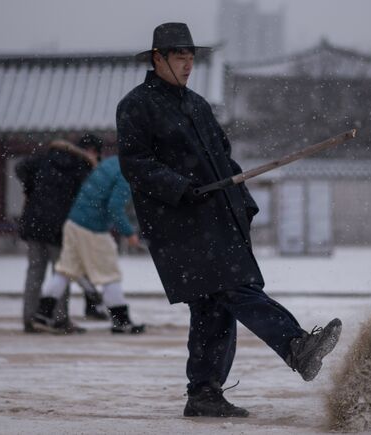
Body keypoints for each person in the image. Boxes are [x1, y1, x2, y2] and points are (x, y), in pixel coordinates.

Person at [116, 22, 342, 418]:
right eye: (179, 57)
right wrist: (179, 187)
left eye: (191, 57)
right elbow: (135, 165)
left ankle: (203, 392)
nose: (188, 65)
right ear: (158, 59)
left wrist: (244, 200)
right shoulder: (137, 106)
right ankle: (295, 345)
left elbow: (226, 161)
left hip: (217, 219)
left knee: (213, 306)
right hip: (180, 227)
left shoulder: (198, 105)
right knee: (235, 288)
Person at [30, 155, 145, 335]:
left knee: (65, 270)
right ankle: (121, 321)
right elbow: (115, 207)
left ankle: (42, 315)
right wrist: (129, 233)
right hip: (93, 229)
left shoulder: (111, 162)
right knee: (109, 274)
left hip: (74, 223)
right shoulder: (127, 174)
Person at [15, 134, 109, 334]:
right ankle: (59, 319)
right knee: (62, 272)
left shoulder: (43, 159)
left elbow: (20, 168)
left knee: (34, 272)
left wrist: (30, 189)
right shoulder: (81, 166)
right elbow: (87, 200)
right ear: (92, 151)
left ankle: (30, 318)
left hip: (34, 222)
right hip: (60, 226)